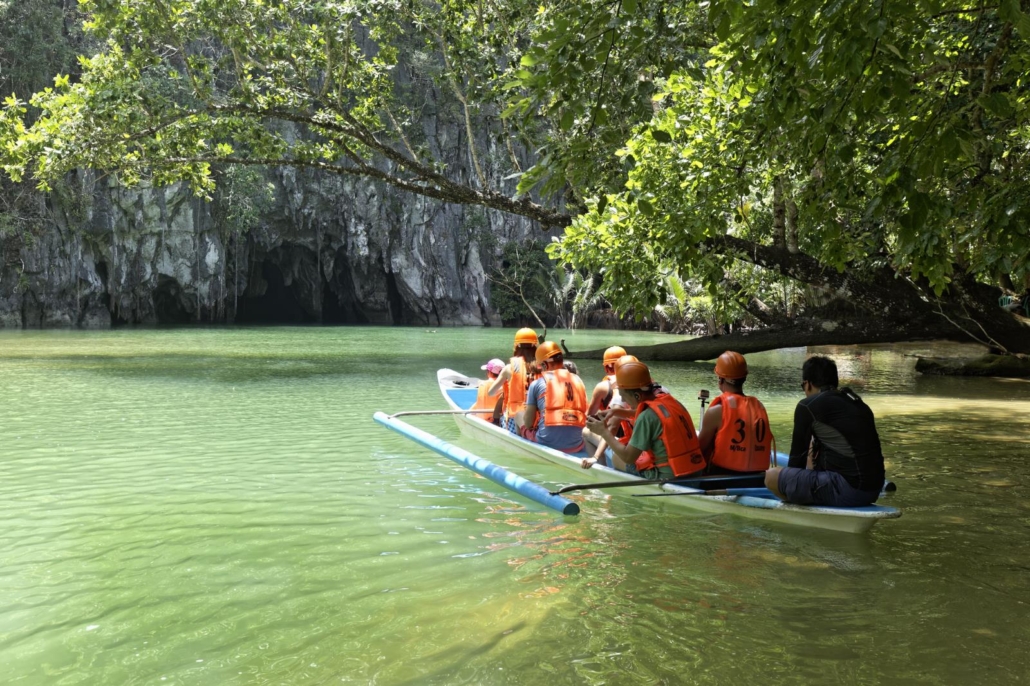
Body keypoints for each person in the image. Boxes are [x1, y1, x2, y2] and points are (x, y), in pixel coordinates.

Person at [764, 355, 885, 507]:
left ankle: (799, 511)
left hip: (850, 490)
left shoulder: (807, 405)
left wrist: (788, 484)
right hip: (874, 489)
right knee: (814, 444)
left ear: (807, 384)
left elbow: (796, 460)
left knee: (772, 476)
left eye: (803, 386)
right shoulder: (857, 402)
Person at [581, 360, 705, 480]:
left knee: (617, 458)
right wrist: (616, 411)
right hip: (695, 471)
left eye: (624, 396)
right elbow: (654, 416)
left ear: (637, 396)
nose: (623, 400)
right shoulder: (673, 402)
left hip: (670, 478)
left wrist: (603, 432)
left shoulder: (646, 417)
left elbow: (628, 457)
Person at [697, 351, 773, 475]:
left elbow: (698, 450)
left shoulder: (716, 412)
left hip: (721, 479)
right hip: (756, 478)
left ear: (720, 379)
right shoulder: (760, 407)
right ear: (744, 378)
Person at [522, 341, 588, 453]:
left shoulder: (537, 384)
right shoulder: (578, 381)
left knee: (519, 416)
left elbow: (528, 424)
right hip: (576, 444)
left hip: (546, 442)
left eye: (540, 366)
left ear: (545, 365)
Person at [488, 328, 538, 434]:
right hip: (537, 418)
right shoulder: (542, 367)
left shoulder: (509, 368)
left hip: (514, 418)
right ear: (535, 346)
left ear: (516, 346)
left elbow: (491, 392)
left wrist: (507, 389)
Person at [582, 345, 627, 454]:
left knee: (585, 430)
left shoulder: (602, 387)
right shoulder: (638, 383)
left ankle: (598, 461)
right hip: (635, 442)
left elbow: (589, 418)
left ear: (606, 367)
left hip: (616, 440)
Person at [471, 358, 505, 424]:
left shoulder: (482, 384)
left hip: (482, 418)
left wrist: (470, 411)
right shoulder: (504, 386)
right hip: (496, 419)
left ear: (490, 373)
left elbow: (480, 402)